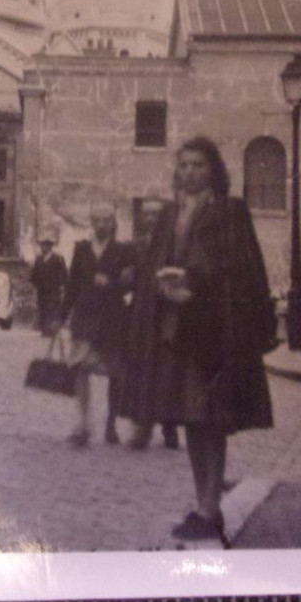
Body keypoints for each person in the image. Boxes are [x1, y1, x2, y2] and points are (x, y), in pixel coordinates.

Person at [121, 137, 276, 544]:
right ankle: (202, 502)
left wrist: (195, 282)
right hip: (176, 329)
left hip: (213, 329)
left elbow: (242, 269)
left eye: (198, 165)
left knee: (212, 417)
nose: (189, 172)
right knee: (190, 418)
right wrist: (159, 285)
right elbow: (155, 262)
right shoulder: (171, 213)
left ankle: (211, 508)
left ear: (214, 171)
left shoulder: (230, 211)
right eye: (184, 165)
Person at [62, 204, 135, 447]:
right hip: (84, 316)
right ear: (92, 222)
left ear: (113, 223)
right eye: (98, 220)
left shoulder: (123, 251)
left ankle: (111, 424)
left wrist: (111, 283)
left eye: (107, 221)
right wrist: (61, 316)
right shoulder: (81, 249)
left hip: (112, 319)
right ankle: (83, 424)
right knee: (80, 367)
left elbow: (129, 286)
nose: (102, 225)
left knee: (115, 373)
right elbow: (72, 284)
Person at [125, 194, 180, 452]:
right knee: (142, 369)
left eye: (155, 214)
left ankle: (169, 427)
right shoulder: (138, 246)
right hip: (141, 317)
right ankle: (142, 426)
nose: (150, 219)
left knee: (167, 372)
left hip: (165, 317)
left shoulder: (175, 247)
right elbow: (130, 280)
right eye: (146, 214)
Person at [29, 235, 68, 337]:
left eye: (46, 246)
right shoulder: (38, 259)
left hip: (53, 289)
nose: (43, 248)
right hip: (41, 289)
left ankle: (51, 330)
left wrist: (62, 286)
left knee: (52, 309)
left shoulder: (58, 258)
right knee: (43, 308)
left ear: (50, 247)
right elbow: (34, 274)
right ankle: (44, 329)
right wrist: (35, 284)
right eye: (42, 245)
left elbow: (64, 274)